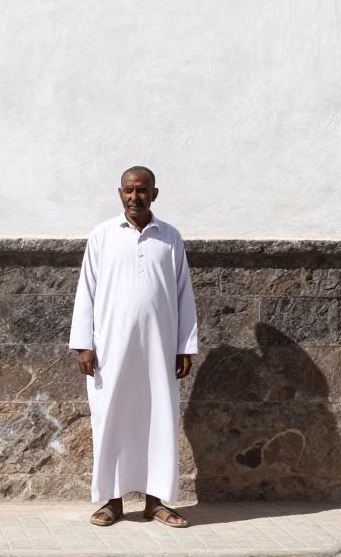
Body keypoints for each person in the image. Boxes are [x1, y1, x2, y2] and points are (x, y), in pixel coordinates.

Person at [69, 166, 198, 528]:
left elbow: (183, 294)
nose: (134, 197)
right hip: (110, 350)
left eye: (142, 190)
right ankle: (112, 502)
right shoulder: (103, 236)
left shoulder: (170, 238)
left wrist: (184, 346)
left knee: (160, 420)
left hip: (159, 351)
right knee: (111, 418)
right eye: (128, 190)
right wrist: (83, 344)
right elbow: (87, 291)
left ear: (154, 194)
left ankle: (156, 503)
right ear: (120, 193)